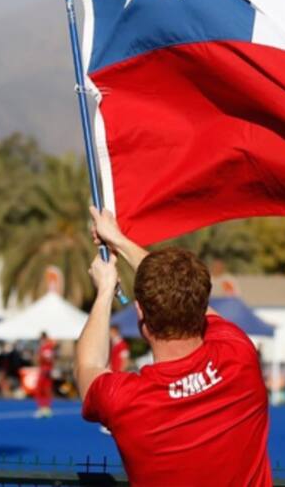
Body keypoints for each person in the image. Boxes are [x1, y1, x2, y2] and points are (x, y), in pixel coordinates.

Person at [78, 207, 272, 486]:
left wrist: (105, 289)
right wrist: (119, 240)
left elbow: (88, 365)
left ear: (140, 313)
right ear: (201, 305)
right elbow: (180, 292)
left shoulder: (123, 399)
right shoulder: (239, 355)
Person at [34, 331, 55, 418]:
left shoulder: (47, 347)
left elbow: (48, 359)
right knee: (40, 390)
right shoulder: (43, 347)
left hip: (46, 371)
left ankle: (46, 408)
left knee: (45, 389)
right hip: (43, 370)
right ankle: (42, 407)